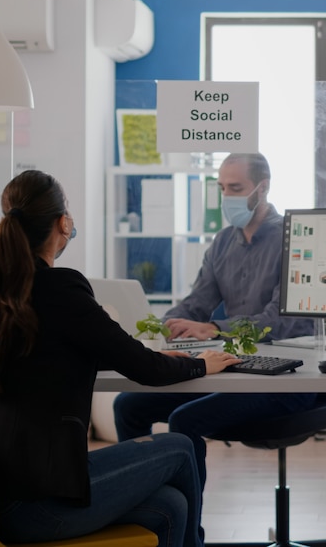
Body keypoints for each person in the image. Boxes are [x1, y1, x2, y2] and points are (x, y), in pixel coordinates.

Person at [0, 169, 242, 547]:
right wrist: (202, 363)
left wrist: (136, 355)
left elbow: (43, 356)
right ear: (63, 223)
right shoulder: (60, 287)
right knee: (180, 446)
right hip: (39, 503)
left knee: (171, 506)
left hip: (4, 500)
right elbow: (144, 369)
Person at [114, 152, 317, 491]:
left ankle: (187, 532)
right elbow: (198, 302)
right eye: (222, 188)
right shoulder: (223, 242)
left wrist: (214, 329)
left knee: (185, 419)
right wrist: (168, 326)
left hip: (284, 379)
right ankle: (147, 508)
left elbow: (285, 322)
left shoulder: (295, 239)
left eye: (235, 187)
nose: (227, 197)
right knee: (128, 405)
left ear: (262, 188)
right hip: (237, 369)